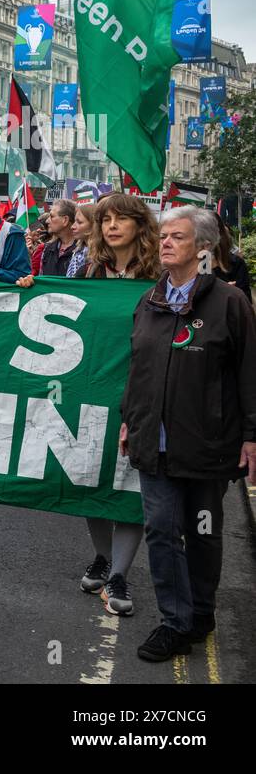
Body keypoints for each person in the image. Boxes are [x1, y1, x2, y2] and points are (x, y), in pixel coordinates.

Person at [123, 207, 256, 661]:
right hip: (153, 444)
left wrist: (251, 435)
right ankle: (175, 623)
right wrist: (130, 419)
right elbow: (138, 369)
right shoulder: (150, 300)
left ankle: (202, 611)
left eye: (176, 237)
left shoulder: (230, 303)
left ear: (202, 248)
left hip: (207, 444)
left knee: (203, 533)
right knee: (161, 530)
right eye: (162, 235)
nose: (164, 243)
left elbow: (248, 373)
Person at [75, 193, 161, 617]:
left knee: (129, 483)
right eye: (105, 219)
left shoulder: (160, 275)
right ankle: (102, 555)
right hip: (95, 388)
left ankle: (120, 574)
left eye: (121, 219)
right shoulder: (92, 270)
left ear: (139, 225)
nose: (111, 226)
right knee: (92, 479)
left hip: (141, 391)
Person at [33, 199, 80, 276]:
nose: (47, 221)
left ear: (65, 220)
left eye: (51, 216)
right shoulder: (46, 249)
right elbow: (42, 279)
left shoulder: (83, 251)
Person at [213, 223, 251, 302]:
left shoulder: (237, 262)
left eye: (225, 235)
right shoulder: (200, 262)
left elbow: (246, 297)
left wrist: (233, 292)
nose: (222, 239)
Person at [65, 202, 98, 279]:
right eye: (74, 222)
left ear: (93, 225)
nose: (72, 226)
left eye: (79, 222)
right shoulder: (78, 252)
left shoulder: (101, 255)